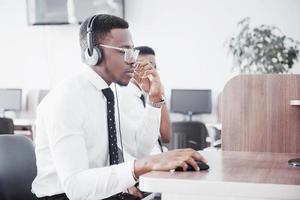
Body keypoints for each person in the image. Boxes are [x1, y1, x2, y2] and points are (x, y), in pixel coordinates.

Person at [31, 14, 207, 200]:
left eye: (133, 52)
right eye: (124, 52)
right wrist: (144, 165)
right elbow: (76, 187)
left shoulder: (109, 94)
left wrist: (154, 100)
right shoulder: (67, 99)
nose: (132, 60)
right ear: (93, 54)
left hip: (100, 193)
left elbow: (141, 149)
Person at [118, 46, 171, 158]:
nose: (153, 71)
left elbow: (167, 137)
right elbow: (141, 150)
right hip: (149, 163)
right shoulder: (127, 96)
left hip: (159, 157)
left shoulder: (146, 95)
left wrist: (160, 93)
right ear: (134, 66)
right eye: (148, 66)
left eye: (154, 67)